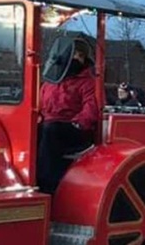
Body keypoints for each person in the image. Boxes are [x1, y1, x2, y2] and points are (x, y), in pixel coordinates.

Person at [37, 39, 99, 194]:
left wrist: (78, 123)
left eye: (81, 56)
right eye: (75, 54)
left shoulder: (88, 82)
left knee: (51, 130)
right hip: (49, 123)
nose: (77, 59)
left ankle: (47, 183)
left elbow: (91, 108)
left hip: (74, 128)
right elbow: (38, 105)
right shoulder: (51, 82)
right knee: (33, 130)